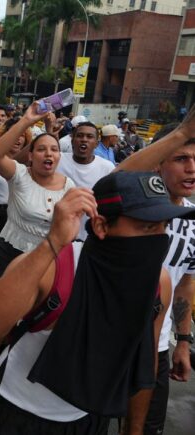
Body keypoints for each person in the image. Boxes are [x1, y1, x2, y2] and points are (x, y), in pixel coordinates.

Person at [0, 168, 195, 434]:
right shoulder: (57, 266)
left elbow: (144, 360)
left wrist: (134, 430)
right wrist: (52, 241)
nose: (160, 238)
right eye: (146, 226)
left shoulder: (158, 283)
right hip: (20, 411)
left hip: (91, 419)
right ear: (101, 226)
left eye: (164, 226)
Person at [113, 114, 195, 434]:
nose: (191, 168)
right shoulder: (131, 209)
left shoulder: (193, 221)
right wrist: (181, 132)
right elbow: (113, 181)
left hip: (155, 349)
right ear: (158, 164)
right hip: (108, 341)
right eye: (180, 158)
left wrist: (183, 341)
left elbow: (185, 282)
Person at [0, 103, 75, 282]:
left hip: (47, 260)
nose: (48, 154)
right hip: (10, 255)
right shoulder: (19, 175)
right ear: (30, 155)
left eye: (54, 150)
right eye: (41, 149)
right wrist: (27, 120)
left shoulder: (69, 186)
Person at [57, 121, 115, 240]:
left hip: (88, 238)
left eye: (89, 137)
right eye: (79, 135)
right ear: (72, 140)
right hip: (56, 233)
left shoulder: (107, 168)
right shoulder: (58, 159)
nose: (84, 139)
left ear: (96, 144)